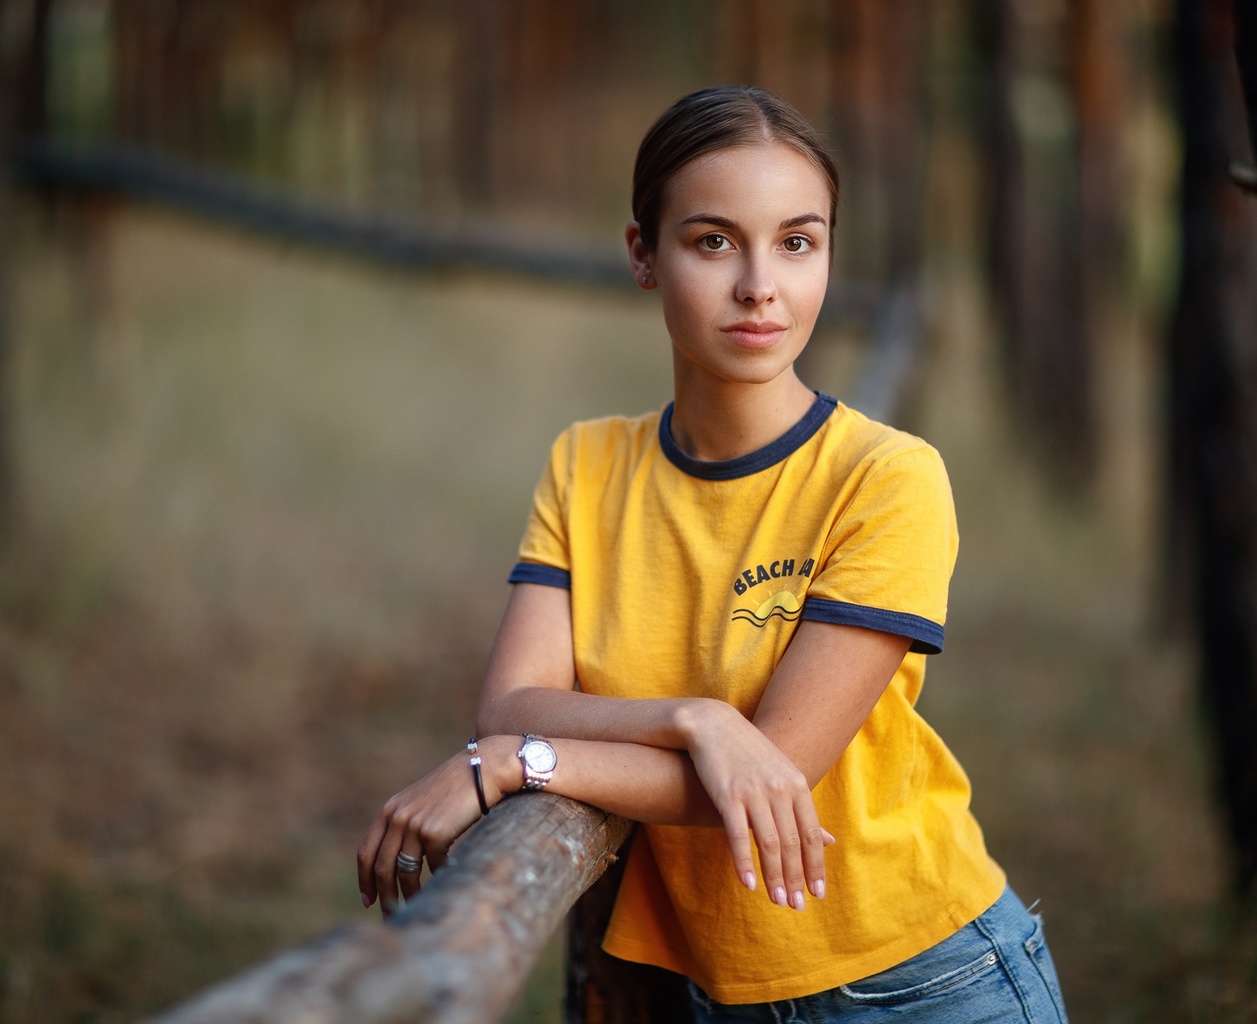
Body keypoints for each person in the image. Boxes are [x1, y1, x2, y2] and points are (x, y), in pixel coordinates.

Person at [357, 85, 1069, 1023]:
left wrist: (509, 765)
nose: (759, 285)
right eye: (713, 241)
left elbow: (770, 774)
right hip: (714, 997)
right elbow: (513, 700)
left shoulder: (886, 478)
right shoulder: (588, 463)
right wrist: (699, 720)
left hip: (923, 982)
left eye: (797, 242)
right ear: (642, 255)